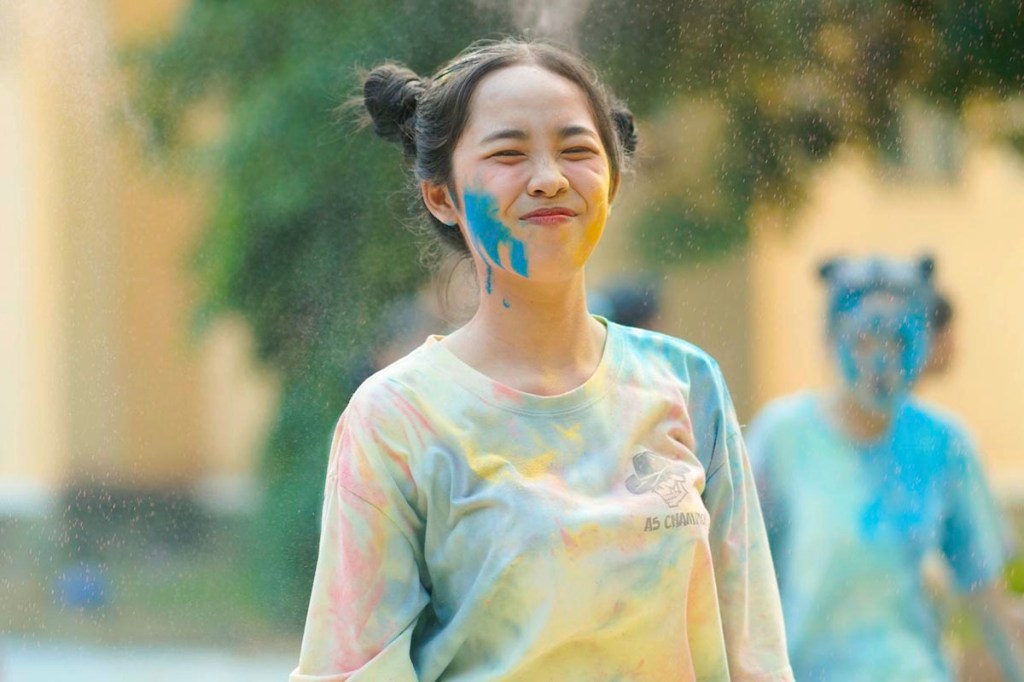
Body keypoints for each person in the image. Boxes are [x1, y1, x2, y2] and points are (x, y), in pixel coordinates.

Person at [290, 38, 792, 681]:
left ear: (611, 179)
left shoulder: (687, 383)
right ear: (441, 195)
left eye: (578, 149)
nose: (550, 177)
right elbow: (351, 670)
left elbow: (753, 650)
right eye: (507, 153)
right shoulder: (397, 419)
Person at [746, 255, 1022, 681]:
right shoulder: (780, 439)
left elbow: (986, 594)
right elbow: (738, 581)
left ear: (924, 344)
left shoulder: (944, 444)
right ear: (831, 340)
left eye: (898, 341)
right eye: (864, 341)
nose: (881, 361)